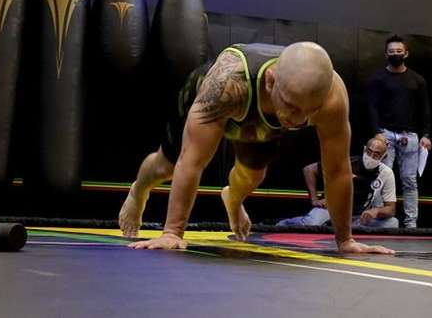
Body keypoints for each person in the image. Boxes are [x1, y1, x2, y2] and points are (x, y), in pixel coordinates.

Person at [120, 42, 394, 254]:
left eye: (309, 112)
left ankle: (234, 199)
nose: (297, 121)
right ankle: (138, 191)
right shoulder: (228, 83)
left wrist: (345, 240)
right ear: (271, 81)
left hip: (262, 114)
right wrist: (172, 233)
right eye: (292, 107)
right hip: (218, 99)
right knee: (165, 165)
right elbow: (191, 161)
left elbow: (337, 171)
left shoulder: (332, 98)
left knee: (253, 176)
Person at [367, 34, 431, 228]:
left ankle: (411, 224)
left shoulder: (417, 80)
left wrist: (426, 135)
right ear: (386, 54)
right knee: (382, 177)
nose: (396, 54)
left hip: (410, 136)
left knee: (410, 181)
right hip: (385, 134)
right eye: (392, 52)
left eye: (399, 51)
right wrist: (377, 132)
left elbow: (425, 109)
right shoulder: (378, 78)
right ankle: (378, 219)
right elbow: (371, 107)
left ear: (406, 53)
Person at [276, 136, 398, 229]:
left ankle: (337, 228)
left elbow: (391, 209)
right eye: (369, 152)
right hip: (330, 209)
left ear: (384, 157)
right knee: (312, 224)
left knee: (392, 223)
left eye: (376, 155)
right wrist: (314, 199)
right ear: (364, 149)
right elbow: (309, 170)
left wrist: (376, 211)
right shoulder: (346, 163)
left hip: (357, 216)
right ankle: (283, 224)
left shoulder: (386, 173)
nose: (371, 156)